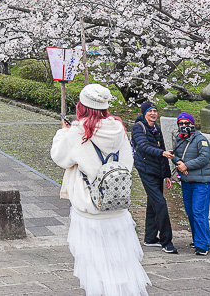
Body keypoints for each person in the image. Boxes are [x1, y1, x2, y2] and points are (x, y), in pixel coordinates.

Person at [51, 83, 149, 296]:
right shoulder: (119, 128)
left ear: (82, 106)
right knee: (120, 261)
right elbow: (128, 161)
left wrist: (62, 133)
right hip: (117, 206)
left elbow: (60, 157)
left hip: (90, 208)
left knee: (94, 263)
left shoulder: (78, 131)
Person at [131, 101, 177, 254]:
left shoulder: (156, 128)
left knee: (153, 203)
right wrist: (162, 153)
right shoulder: (139, 127)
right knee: (161, 203)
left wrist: (167, 175)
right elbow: (143, 146)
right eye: (150, 111)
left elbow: (162, 148)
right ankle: (166, 241)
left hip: (157, 169)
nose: (153, 114)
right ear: (144, 113)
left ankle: (150, 238)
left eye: (155, 111)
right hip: (145, 169)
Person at [172, 112, 210, 255]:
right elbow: (175, 155)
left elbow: (204, 158)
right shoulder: (179, 140)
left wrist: (186, 166)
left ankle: (202, 245)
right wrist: (177, 162)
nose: (183, 126)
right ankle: (204, 239)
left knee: (198, 212)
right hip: (186, 182)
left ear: (192, 124)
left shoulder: (200, 139)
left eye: (186, 123)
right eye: (181, 123)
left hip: (201, 182)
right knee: (191, 212)